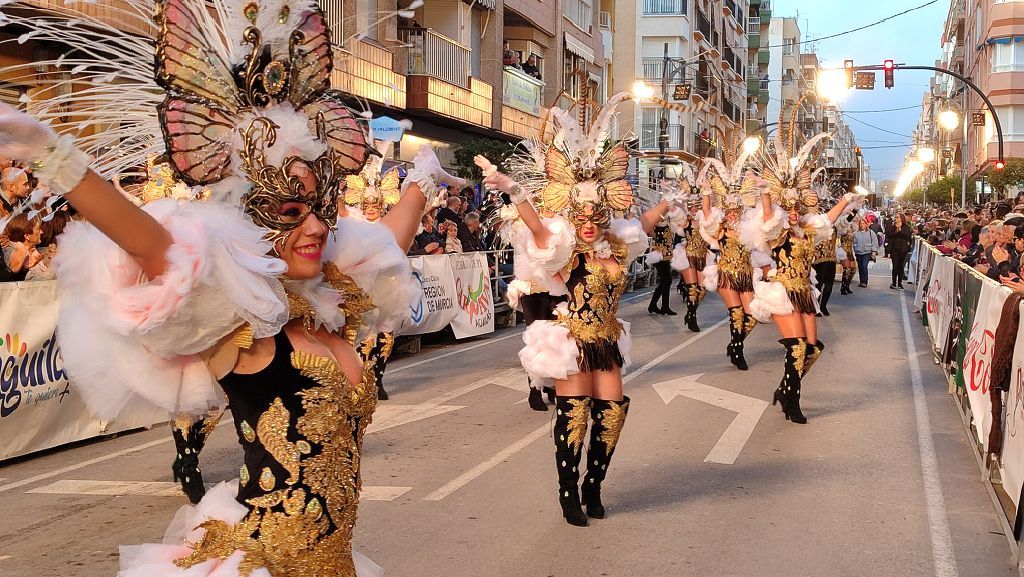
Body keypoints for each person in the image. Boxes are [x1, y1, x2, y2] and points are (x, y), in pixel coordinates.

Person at [0, 0, 445, 573]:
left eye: (320, 208)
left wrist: (421, 180)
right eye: (289, 210)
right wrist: (51, 155)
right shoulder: (242, 317)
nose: (313, 226)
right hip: (269, 560)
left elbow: (389, 242)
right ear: (250, 220)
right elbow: (150, 245)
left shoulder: (330, 298)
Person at [476, 92, 675, 527]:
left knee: (613, 410)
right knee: (576, 414)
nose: (588, 222)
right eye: (581, 214)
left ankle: (593, 485)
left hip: (606, 338)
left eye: (596, 215)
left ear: (604, 214)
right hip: (571, 339)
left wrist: (669, 203)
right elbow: (538, 231)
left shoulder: (619, 246)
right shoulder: (567, 253)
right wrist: (515, 192)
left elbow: (641, 226)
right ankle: (568, 493)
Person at [748, 131, 865, 424]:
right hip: (783, 291)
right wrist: (765, 190)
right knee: (798, 347)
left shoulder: (809, 228)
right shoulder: (775, 229)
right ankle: (793, 399)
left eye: (798, 206)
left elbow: (828, 220)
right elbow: (766, 217)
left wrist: (847, 199)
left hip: (803, 291)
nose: (794, 212)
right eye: (788, 206)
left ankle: (786, 389)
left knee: (813, 349)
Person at [699, 151, 762, 372]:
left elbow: (766, 222)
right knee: (736, 314)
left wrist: (761, 186)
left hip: (745, 274)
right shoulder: (719, 227)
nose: (733, 214)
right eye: (730, 211)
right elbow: (706, 213)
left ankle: (735, 344)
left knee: (753, 315)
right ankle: (738, 352)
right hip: (726, 273)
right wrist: (706, 190)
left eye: (736, 211)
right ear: (725, 211)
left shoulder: (749, 227)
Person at [2, 212, 42, 281]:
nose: (41, 232)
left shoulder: (33, 251)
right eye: (38, 229)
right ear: (27, 236)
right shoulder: (10, 252)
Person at [885, 212, 912, 289]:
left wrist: (900, 230)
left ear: (901, 218)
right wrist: (896, 230)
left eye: (897, 217)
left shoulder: (906, 227)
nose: (896, 219)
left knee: (901, 266)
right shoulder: (892, 227)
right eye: (895, 217)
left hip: (903, 249)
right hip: (894, 248)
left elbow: (908, 236)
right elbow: (889, 235)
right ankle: (894, 282)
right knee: (895, 265)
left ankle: (899, 283)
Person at [853, 216, 879, 287]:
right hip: (858, 252)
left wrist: (874, 251)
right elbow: (853, 242)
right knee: (860, 266)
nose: (862, 225)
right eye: (860, 223)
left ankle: (865, 281)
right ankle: (861, 281)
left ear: (866, 224)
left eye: (863, 223)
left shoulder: (871, 232)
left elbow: (875, 241)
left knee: (864, 266)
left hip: (867, 252)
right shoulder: (856, 233)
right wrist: (854, 248)